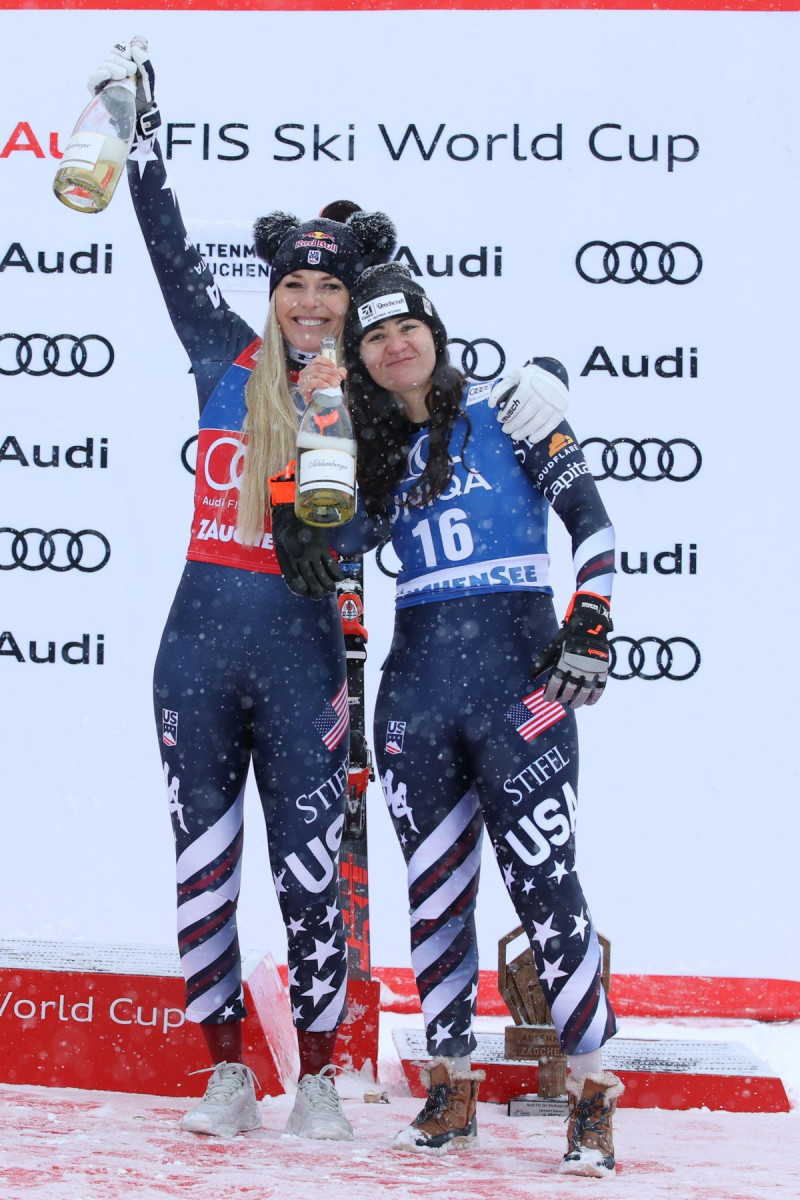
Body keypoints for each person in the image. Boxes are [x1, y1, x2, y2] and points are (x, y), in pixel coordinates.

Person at [86, 40, 396, 1141]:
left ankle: (314, 1074)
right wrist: (142, 139)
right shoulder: (219, 352)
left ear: (349, 306)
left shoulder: (371, 398)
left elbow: (383, 526)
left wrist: (339, 530)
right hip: (196, 647)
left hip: (303, 656)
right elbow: (165, 249)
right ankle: (224, 1073)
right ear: (271, 295)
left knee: (309, 874)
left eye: (328, 288)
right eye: (294, 285)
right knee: (203, 865)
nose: (309, 301)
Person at [338, 264, 623, 1176]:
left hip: (520, 688)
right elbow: (328, 549)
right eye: (375, 338)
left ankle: (591, 1094)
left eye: (406, 328)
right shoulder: (379, 460)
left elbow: (595, 524)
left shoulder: (514, 415)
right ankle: (451, 1091)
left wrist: (593, 619)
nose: (395, 347)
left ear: (435, 331)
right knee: (433, 896)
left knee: (548, 887)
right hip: (413, 697)